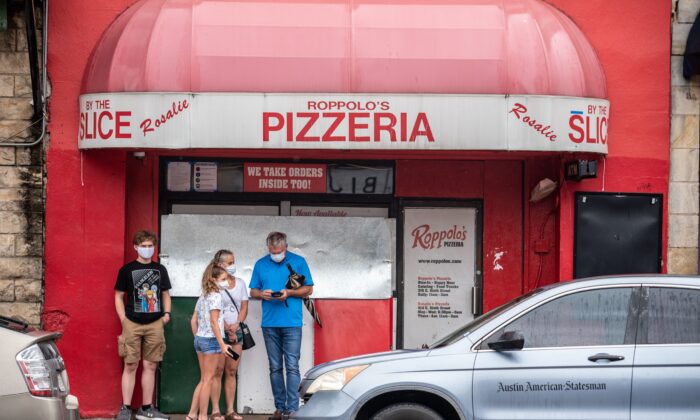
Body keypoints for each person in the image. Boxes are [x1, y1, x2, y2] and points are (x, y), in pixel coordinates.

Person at [250, 232, 314, 420]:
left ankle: (292, 409)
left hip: (292, 322)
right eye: (272, 251)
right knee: (275, 367)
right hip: (269, 323)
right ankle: (279, 408)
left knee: (292, 366)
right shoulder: (261, 264)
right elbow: (253, 290)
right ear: (268, 248)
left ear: (286, 247)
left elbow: (308, 289)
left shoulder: (299, 261)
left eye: (278, 251)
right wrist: (262, 294)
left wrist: (289, 292)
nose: (275, 254)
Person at [115, 230, 172, 420]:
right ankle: (126, 407)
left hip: (155, 323)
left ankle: (147, 407)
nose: (147, 249)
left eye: (150, 246)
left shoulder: (160, 269)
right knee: (130, 364)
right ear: (136, 247)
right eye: (144, 246)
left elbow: (165, 293)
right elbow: (118, 295)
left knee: (151, 365)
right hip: (132, 322)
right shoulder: (127, 270)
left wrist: (166, 314)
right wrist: (123, 319)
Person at [187, 264, 239, 420]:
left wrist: (197, 337)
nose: (226, 282)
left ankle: (191, 414)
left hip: (200, 340)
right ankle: (202, 416)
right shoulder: (216, 296)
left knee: (204, 379)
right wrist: (222, 344)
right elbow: (214, 323)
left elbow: (193, 321)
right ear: (214, 280)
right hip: (211, 341)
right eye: (223, 279)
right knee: (208, 380)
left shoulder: (203, 295)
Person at [210, 249, 249, 420]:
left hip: (237, 332)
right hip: (220, 332)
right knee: (217, 371)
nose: (233, 265)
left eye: (234, 261)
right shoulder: (214, 284)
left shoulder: (240, 283)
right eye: (230, 262)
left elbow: (244, 307)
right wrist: (226, 328)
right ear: (220, 264)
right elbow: (212, 310)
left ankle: (230, 410)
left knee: (231, 370)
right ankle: (216, 410)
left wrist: (236, 325)